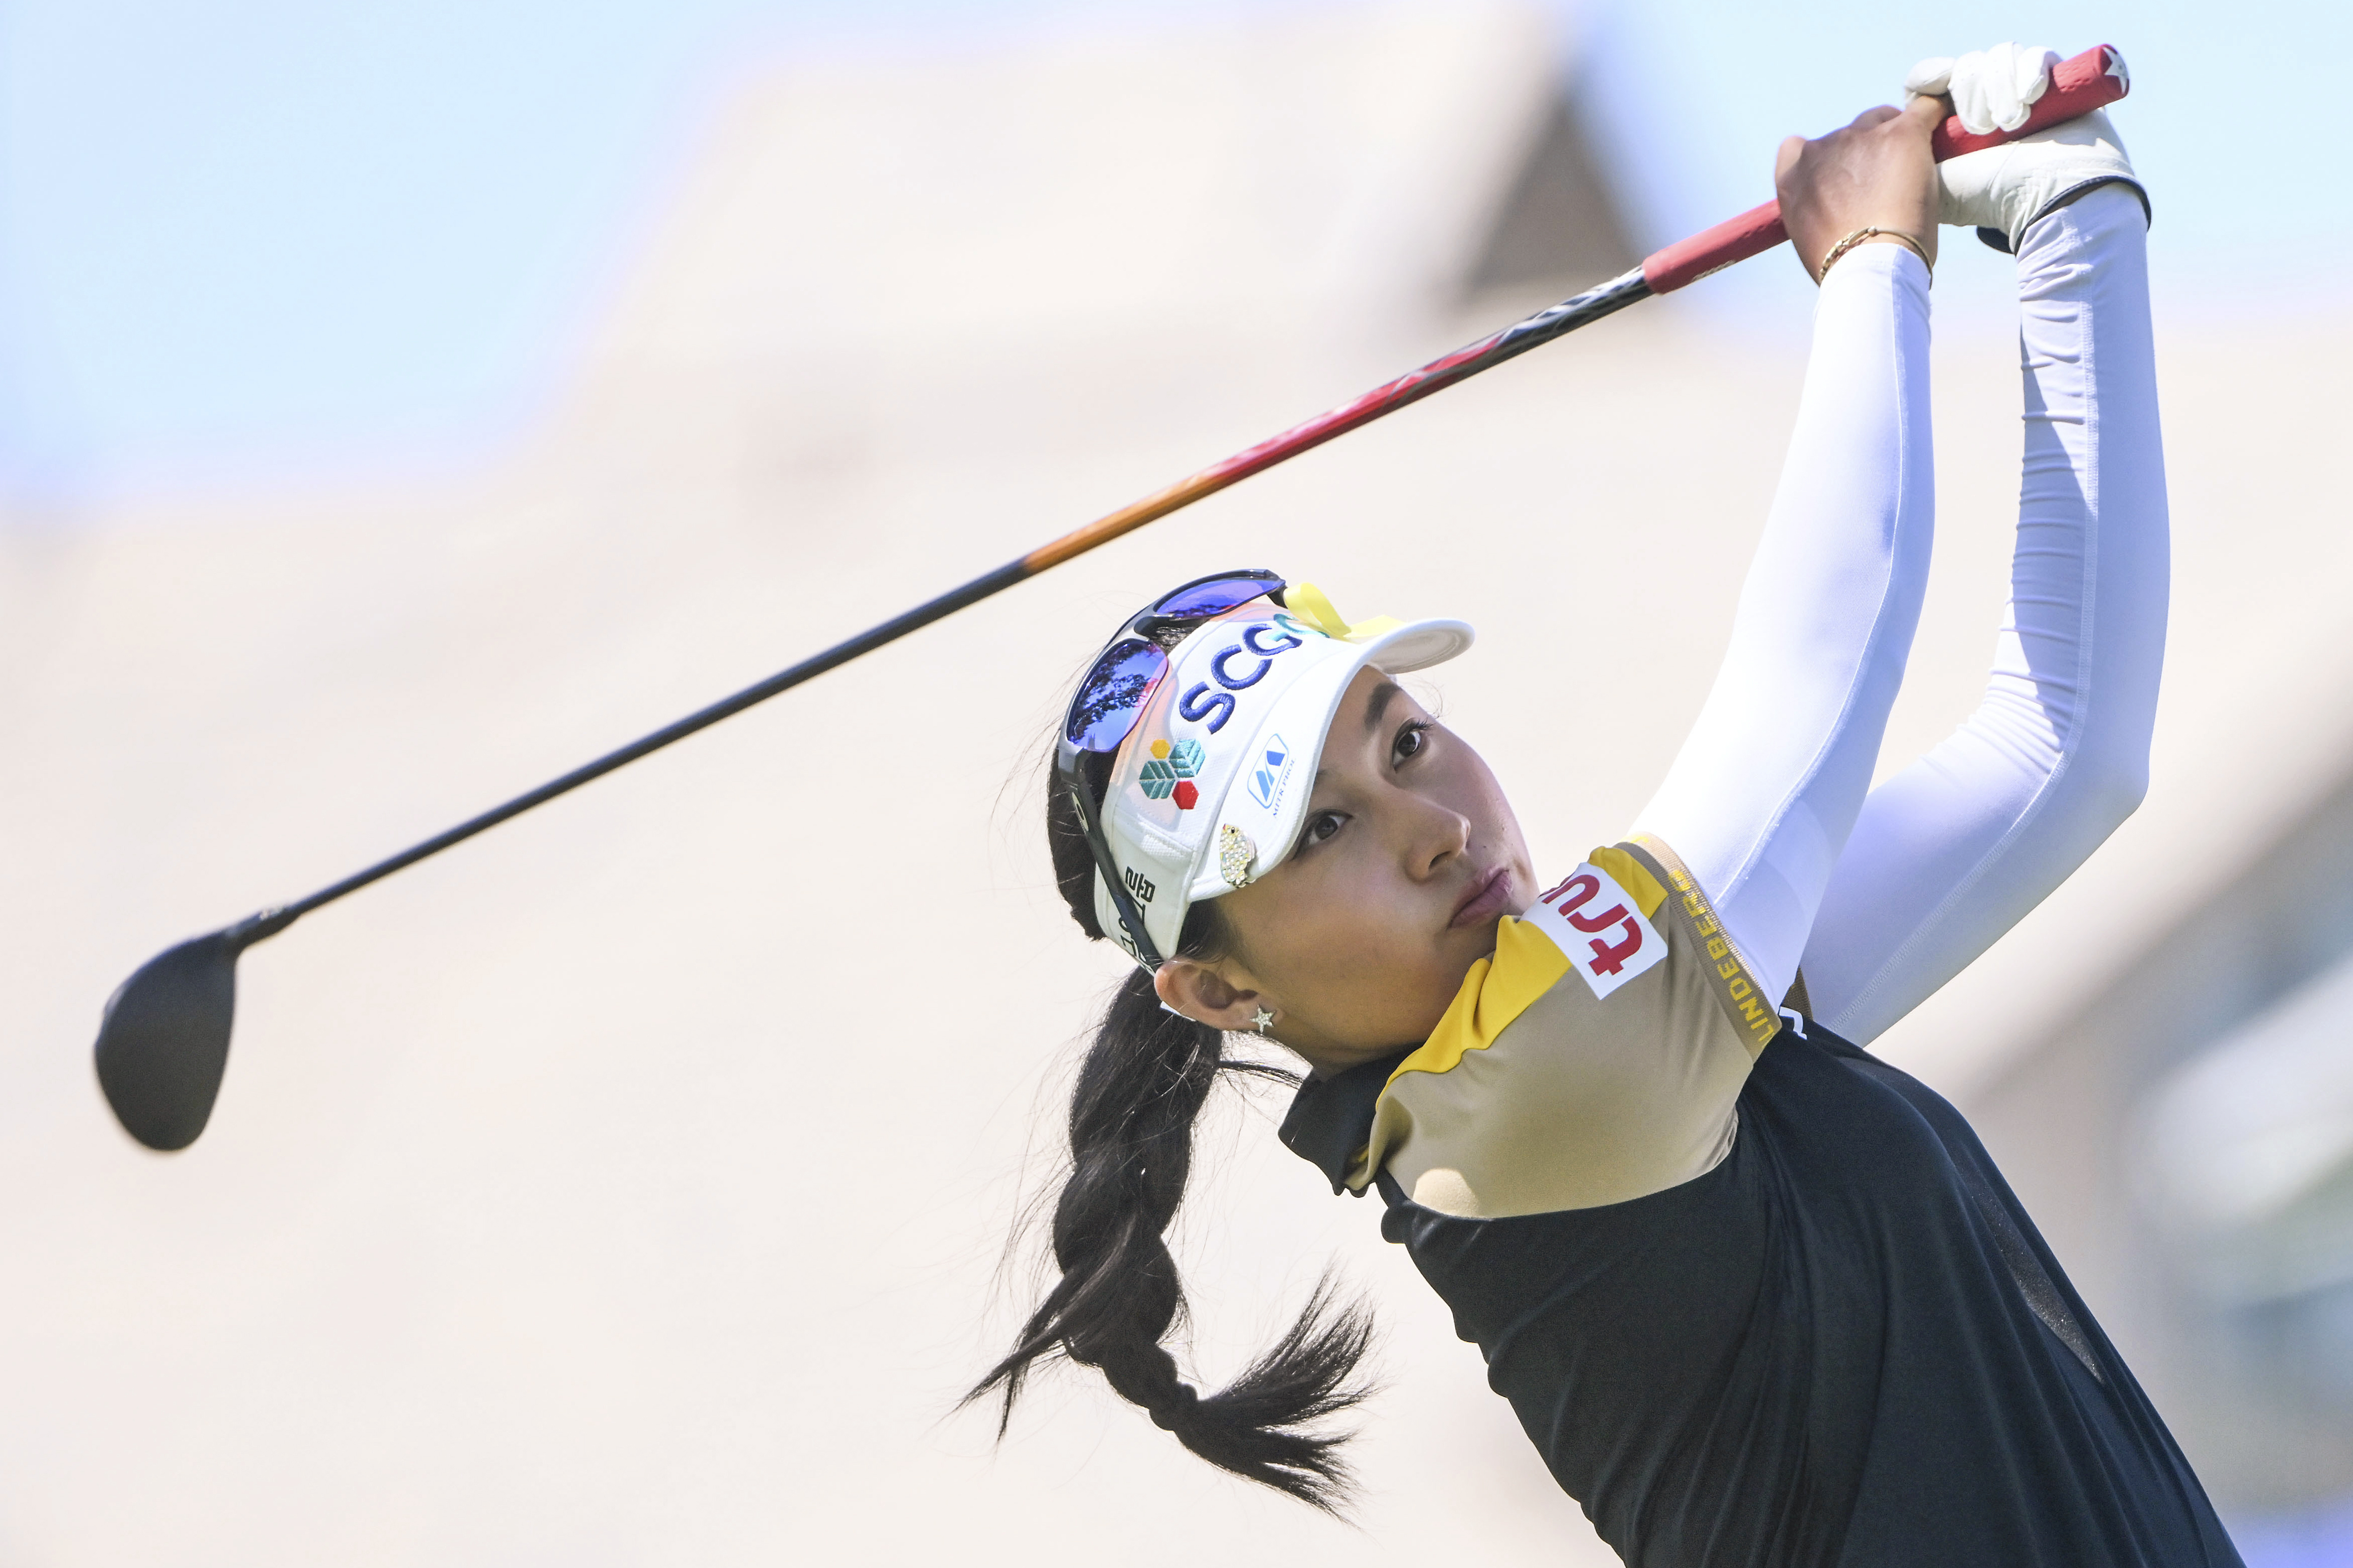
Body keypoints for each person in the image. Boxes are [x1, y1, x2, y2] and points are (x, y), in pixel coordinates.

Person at [974, 43, 2239, 1567]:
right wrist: (1869, 266)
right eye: (1315, 832)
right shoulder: (1536, 1082)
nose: (1430, 824)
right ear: (1217, 988)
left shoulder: (1615, 1057)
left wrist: (2070, 219)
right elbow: (1812, 677)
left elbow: (2062, 755)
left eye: (1405, 741)